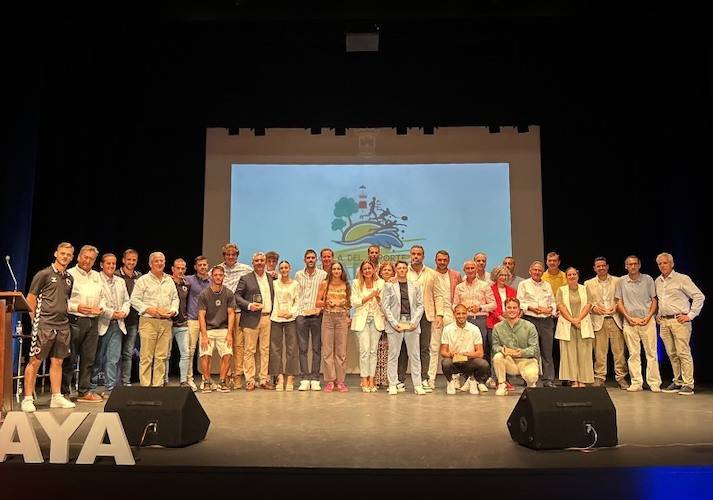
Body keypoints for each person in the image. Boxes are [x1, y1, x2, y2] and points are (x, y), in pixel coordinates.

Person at [21, 243, 77, 412]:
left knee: (58, 361)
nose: (65, 256)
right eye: (62, 253)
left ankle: (56, 396)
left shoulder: (69, 278)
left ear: (72, 257)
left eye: (68, 254)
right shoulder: (43, 274)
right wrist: (35, 322)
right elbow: (31, 298)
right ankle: (27, 399)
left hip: (62, 325)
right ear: (56, 254)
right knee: (35, 361)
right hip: (44, 325)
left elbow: (64, 300)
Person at [655, 252, 705, 396]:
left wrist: (690, 315)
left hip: (679, 321)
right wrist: (659, 314)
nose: (662, 266)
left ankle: (688, 384)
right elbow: (661, 300)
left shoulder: (681, 279)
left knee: (683, 352)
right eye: (660, 263)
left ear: (672, 264)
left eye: (665, 263)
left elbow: (699, 296)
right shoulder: (657, 281)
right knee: (672, 353)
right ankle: (678, 381)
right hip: (664, 322)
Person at [63, 244, 105, 403]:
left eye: (91, 258)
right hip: (74, 320)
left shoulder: (96, 276)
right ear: (79, 257)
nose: (87, 261)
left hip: (93, 321)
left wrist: (101, 307)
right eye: (85, 257)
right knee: (70, 358)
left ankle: (84, 391)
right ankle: (64, 392)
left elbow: (103, 297)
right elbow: (62, 300)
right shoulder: (69, 274)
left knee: (89, 359)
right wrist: (77, 307)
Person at [130, 251, 179, 387]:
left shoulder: (169, 280)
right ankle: (145, 386)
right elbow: (134, 300)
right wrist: (148, 309)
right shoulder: (143, 280)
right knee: (146, 356)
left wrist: (173, 311)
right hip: (149, 322)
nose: (159, 263)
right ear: (150, 263)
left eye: (162, 261)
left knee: (162, 356)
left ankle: (157, 386)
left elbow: (175, 298)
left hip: (166, 322)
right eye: (156, 261)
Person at [616, 255, 661, 392]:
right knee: (633, 354)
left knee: (651, 353)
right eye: (630, 264)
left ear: (639, 265)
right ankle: (636, 382)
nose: (633, 266)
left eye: (635, 264)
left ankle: (654, 382)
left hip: (647, 321)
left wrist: (648, 317)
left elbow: (654, 300)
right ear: (626, 266)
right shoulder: (621, 281)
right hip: (630, 322)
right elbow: (619, 302)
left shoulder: (647, 279)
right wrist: (628, 317)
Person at [382, 260, 427, 395]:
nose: (401, 270)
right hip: (395, 323)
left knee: (414, 355)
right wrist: (394, 323)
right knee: (393, 355)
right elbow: (385, 306)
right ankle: (393, 384)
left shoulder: (415, 285)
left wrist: (414, 322)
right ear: (396, 270)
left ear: (407, 270)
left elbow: (420, 305)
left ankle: (418, 385)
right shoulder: (389, 286)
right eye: (399, 268)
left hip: (411, 323)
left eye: (403, 268)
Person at [584, 257, 629, 389]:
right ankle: (599, 377)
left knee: (619, 352)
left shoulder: (617, 280)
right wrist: (593, 308)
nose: (601, 268)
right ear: (594, 268)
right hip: (598, 320)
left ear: (607, 267)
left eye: (603, 265)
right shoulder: (588, 283)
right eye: (598, 266)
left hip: (615, 319)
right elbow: (587, 301)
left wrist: (616, 307)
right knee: (599, 352)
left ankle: (621, 377)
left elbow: (623, 297)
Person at [405, 245, 445, 393]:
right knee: (405, 349)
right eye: (413, 254)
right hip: (407, 315)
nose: (416, 256)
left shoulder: (432, 274)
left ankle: (424, 379)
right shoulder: (404, 272)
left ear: (423, 256)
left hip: (426, 315)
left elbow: (439, 295)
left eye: (419, 254)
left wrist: (439, 314)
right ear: (410, 255)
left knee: (424, 348)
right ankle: (400, 380)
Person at [234, 252, 275, 391]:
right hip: (251, 317)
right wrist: (249, 306)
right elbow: (237, 296)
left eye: (261, 260)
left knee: (265, 350)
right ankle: (250, 380)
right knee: (249, 351)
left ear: (265, 262)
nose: (259, 262)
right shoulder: (245, 278)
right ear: (253, 263)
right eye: (256, 260)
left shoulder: (270, 278)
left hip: (267, 318)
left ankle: (263, 379)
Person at [92, 253, 130, 397]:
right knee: (97, 358)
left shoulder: (120, 281)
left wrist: (124, 312)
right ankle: (92, 387)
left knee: (113, 359)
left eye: (113, 264)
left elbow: (127, 300)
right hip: (102, 323)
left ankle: (110, 388)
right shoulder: (96, 279)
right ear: (102, 264)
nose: (111, 266)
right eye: (108, 263)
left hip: (118, 324)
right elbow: (98, 300)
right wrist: (111, 313)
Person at [453, 260, 495, 392]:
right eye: (468, 268)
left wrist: (480, 307)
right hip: (465, 320)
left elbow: (493, 304)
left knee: (479, 351)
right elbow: (454, 305)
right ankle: (468, 379)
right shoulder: (459, 287)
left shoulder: (485, 285)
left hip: (481, 319)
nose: (470, 270)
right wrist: (462, 308)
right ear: (464, 270)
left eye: (472, 268)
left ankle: (480, 380)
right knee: (466, 349)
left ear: (476, 270)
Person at [517, 261, 556, 387]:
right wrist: (532, 308)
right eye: (535, 270)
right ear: (530, 271)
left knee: (547, 351)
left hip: (546, 321)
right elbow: (520, 302)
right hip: (530, 319)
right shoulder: (523, 284)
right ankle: (528, 378)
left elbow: (553, 302)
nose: (537, 272)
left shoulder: (547, 285)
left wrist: (549, 309)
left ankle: (548, 379)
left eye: (539, 270)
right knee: (529, 351)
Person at [219, 243, 252, 387]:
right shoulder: (217, 270)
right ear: (224, 255)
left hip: (238, 312)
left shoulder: (246, 269)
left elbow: (260, 276)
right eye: (228, 254)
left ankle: (238, 376)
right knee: (225, 345)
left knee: (238, 345)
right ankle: (225, 376)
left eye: (233, 254)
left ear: (237, 255)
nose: (231, 257)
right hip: (222, 313)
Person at [197, 265, 235, 393]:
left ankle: (222, 381)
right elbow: (201, 315)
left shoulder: (228, 293)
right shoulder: (204, 294)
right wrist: (204, 335)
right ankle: (206, 381)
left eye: (220, 275)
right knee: (205, 354)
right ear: (211, 277)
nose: (218, 277)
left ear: (223, 277)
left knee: (228, 353)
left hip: (223, 328)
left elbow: (231, 314)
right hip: (207, 329)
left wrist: (230, 333)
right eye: (216, 275)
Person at [491, 297, 540, 395]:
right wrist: (502, 349)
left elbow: (535, 349)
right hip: (510, 361)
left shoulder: (529, 326)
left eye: (514, 308)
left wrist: (522, 352)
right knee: (497, 356)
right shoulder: (497, 327)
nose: (512, 310)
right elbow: (495, 346)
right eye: (509, 308)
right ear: (505, 309)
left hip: (527, 360)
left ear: (519, 310)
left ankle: (531, 384)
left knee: (531, 376)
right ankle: (501, 384)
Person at [555, 268, 595, 387]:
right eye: (569, 275)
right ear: (566, 277)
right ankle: (573, 379)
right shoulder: (561, 290)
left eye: (574, 274)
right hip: (567, 324)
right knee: (569, 353)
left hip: (583, 323)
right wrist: (572, 320)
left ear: (578, 276)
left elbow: (588, 304)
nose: (572, 276)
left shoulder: (585, 288)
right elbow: (560, 306)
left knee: (584, 353)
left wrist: (578, 319)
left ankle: (582, 379)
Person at [295, 249, 327, 391]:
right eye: (308, 258)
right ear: (304, 260)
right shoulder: (298, 275)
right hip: (301, 315)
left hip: (316, 315)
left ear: (316, 260)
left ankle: (314, 378)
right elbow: (297, 295)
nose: (310, 260)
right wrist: (297, 312)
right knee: (302, 349)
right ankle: (304, 378)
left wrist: (320, 309)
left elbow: (325, 296)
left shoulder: (323, 275)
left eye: (313, 258)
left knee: (316, 348)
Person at [428, 250, 462, 386]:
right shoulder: (430, 274)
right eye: (439, 260)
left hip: (451, 314)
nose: (442, 262)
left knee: (454, 347)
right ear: (436, 260)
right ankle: (431, 379)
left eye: (445, 260)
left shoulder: (455, 275)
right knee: (434, 347)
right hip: (435, 315)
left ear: (448, 261)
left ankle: (455, 378)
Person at [440, 304, 490, 395]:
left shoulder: (474, 329)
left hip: (469, 362)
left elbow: (480, 353)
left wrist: (466, 354)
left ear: (467, 314)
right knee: (445, 362)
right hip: (454, 361)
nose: (461, 316)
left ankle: (473, 380)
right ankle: (450, 382)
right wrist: (450, 354)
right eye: (458, 313)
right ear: (454, 314)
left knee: (483, 364)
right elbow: (443, 351)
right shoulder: (447, 329)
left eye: (463, 313)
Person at [316, 261, 351, 392]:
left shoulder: (346, 285)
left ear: (342, 271)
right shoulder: (324, 284)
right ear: (330, 271)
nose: (336, 271)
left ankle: (340, 381)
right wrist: (327, 302)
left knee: (341, 352)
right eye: (334, 269)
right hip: (328, 318)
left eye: (339, 269)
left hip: (341, 318)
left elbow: (349, 304)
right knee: (328, 351)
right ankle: (330, 381)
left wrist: (344, 303)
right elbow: (317, 303)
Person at [351, 260, 385, 392]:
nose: (367, 271)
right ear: (361, 271)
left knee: (373, 351)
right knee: (364, 351)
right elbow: (354, 302)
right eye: (364, 269)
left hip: (376, 319)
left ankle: (372, 379)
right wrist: (370, 296)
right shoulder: (356, 283)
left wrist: (377, 298)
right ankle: (364, 378)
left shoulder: (380, 283)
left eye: (369, 268)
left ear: (373, 269)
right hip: (362, 320)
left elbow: (383, 302)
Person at [269, 260, 300, 391]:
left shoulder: (295, 284)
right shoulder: (274, 283)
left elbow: (298, 301)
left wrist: (291, 313)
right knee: (275, 349)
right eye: (281, 268)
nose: (284, 270)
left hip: (290, 319)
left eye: (286, 267)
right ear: (279, 269)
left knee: (292, 348)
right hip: (276, 318)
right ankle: (279, 377)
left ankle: (290, 377)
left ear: (290, 268)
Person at [487, 265, 517, 390]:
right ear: (496, 276)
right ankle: (495, 379)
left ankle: (505, 379)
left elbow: (516, 306)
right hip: (493, 323)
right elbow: (491, 306)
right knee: (495, 352)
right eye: (501, 275)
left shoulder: (511, 290)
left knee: (507, 352)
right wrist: (500, 317)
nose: (503, 277)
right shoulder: (490, 289)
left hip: (509, 325)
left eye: (505, 275)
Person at [184, 256, 211, 391]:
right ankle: (189, 379)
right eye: (200, 265)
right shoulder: (188, 280)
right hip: (192, 319)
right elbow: (176, 277)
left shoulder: (212, 282)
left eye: (204, 265)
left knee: (206, 352)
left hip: (207, 322)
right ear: (195, 267)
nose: (202, 267)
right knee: (190, 351)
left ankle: (206, 380)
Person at [116, 248, 142, 386]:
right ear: (123, 260)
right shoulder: (115, 275)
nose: (131, 262)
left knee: (127, 353)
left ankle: (125, 382)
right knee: (113, 354)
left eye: (134, 260)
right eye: (129, 259)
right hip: (116, 320)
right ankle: (112, 384)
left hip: (132, 321)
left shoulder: (139, 276)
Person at [166, 258, 191, 387]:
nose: (180, 271)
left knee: (185, 352)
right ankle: (164, 380)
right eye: (178, 268)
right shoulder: (166, 282)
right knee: (166, 354)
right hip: (168, 323)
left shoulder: (187, 284)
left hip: (182, 324)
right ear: (172, 269)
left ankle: (183, 380)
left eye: (183, 268)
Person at [374, 261, 396, 387]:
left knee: (390, 351)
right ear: (380, 273)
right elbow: (379, 302)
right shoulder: (378, 285)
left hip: (393, 321)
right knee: (378, 350)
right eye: (384, 270)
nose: (387, 272)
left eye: (389, 270)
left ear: (394, 272)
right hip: (380, 319)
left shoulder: (396, 285)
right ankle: (378, 379)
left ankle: (389, 379)